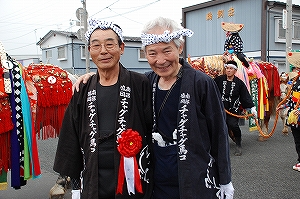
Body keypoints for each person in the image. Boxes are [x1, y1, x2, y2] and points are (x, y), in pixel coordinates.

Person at [76, 17, 234, 199]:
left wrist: (225, 179)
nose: (160, 60)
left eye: (167, 51)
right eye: (152, 53)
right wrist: (91, 77)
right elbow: (116, 77)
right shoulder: (146, 81)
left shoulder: (201, 83)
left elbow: (219, 134)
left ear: (179, 48)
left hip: (193, 177)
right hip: (155, 178)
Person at [53, 17, 153, 199]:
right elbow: (71, 138)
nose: (103, 51)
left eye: (110, 44)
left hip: (131, 175)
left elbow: (151, 126)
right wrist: (75, 185)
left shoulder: (140, 83)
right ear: (89, 50)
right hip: (92, 175)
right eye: (96, 46)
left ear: (121, 48)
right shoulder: (82, 88)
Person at [214, 60, 257, 156]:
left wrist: (251, 108)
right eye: (227, 68)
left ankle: (238, 144)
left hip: (233, 110)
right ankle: (219, 147)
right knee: (219, 127)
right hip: (220, 110)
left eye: (231, 69)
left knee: (233, 126)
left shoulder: (239, 83)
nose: (228, 70)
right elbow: (211, 90)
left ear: (235, 70)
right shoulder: (219, 80)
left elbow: (245, 96)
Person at [277, 51, 300, 172]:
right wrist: (283, 105)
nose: (297, 68)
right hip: (294, 113)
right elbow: (291, 98)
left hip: (298, 112)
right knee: (297, 137)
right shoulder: (295, 79)